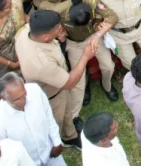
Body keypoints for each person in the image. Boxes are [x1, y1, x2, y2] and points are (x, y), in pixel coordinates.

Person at [14, 9, 109, 148]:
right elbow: (69, 83)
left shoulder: (26, 32)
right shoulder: (42, 63)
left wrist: (56, 35)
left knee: (67, 114)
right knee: (56, 121)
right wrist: (85, 56)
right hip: (52, 96)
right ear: (45, 36)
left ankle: (70, 135)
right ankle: (57, 143)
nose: (61, 28)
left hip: (57, 85)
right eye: (57, 28)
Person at [0, 73, 65, 166]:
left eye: (24, 94)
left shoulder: (35, 90)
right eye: (16, 99)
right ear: (3, 97)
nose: (23, 100)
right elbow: (1, 150)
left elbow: (48, 115)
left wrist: (57, 142)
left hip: (50, 153)